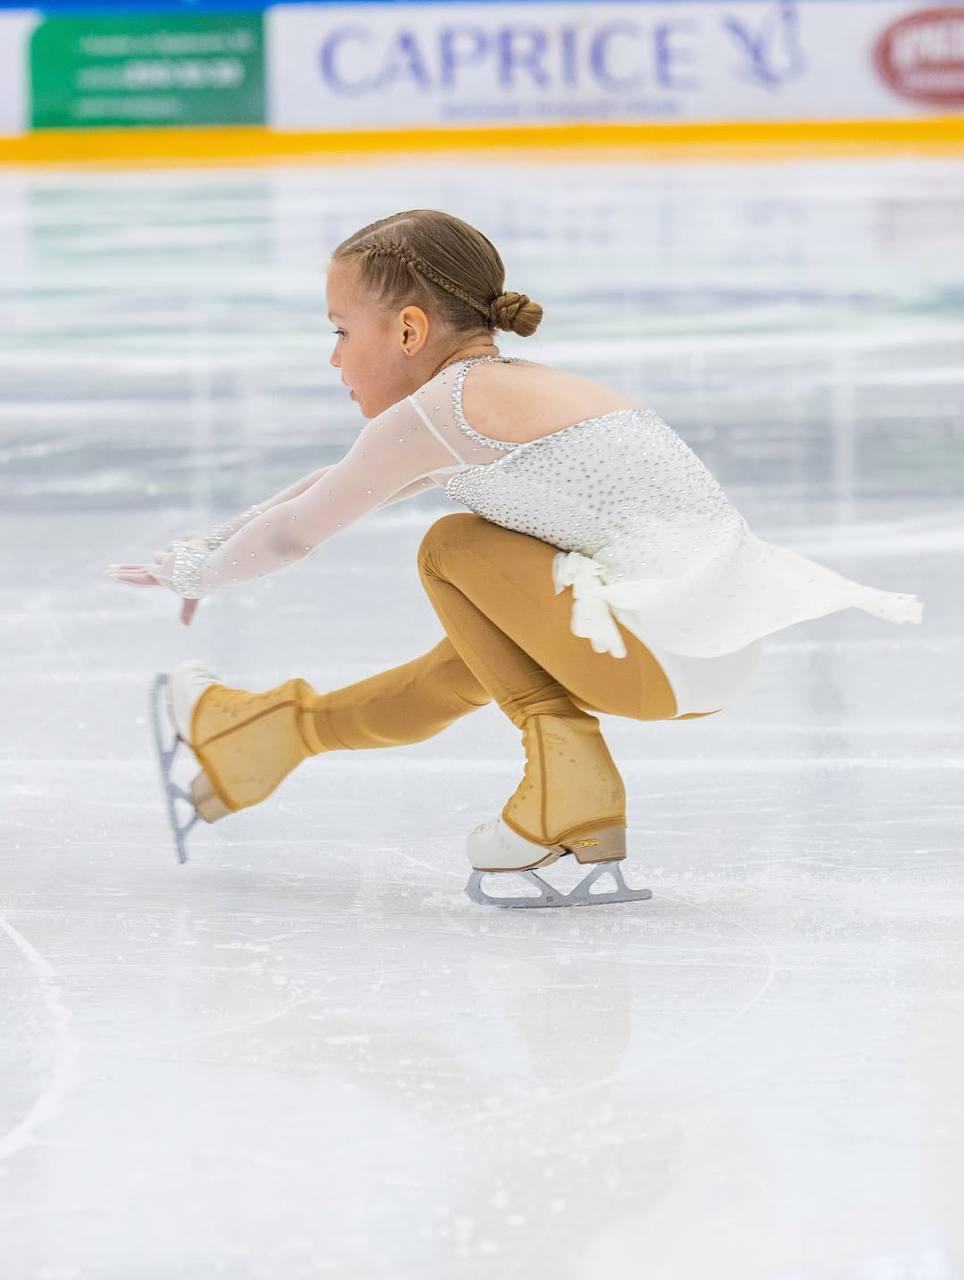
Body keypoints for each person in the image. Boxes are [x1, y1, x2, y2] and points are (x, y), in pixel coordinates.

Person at [105, 208, 923, 907]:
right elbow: (336, 482)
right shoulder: (515, 390)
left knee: (454, 548)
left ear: (410, 330)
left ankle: (571, 787)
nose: (333, 357)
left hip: (651, 649)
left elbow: (298, 530)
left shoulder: (446, 406)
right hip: (699, 652)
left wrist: (196, 572)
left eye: (340, 331)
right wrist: (208, 550)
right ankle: (267, 736)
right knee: (463, 663)